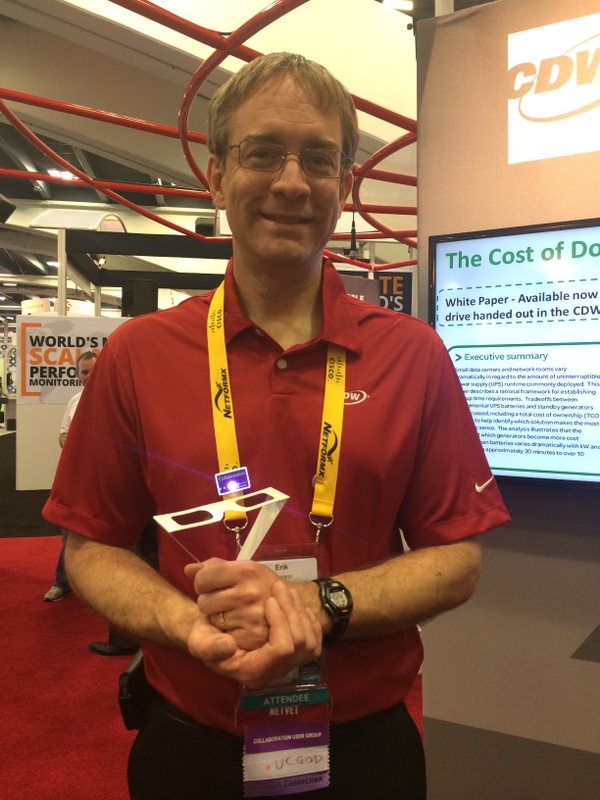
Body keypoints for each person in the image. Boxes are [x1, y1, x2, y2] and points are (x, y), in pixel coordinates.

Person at [43, 52, 510, 799]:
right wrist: (191, 625)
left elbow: (457, 557)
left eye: (318, 158)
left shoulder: (413, 353)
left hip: (363, 750)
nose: (292, 182)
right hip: (190, 746)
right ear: (217, 175)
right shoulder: (138, 353)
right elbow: (93, 545)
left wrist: (320, 606)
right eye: (263, 152)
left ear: (344, 186)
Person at [43, 351, 97, 602]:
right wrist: (70, 442)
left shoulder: (118, 397)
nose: (89, 376)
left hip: (110, 477)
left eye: (93, 370)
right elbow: (62, 434)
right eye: (84, 372)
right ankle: (63, 582)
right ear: (77, 374)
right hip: (78, 475)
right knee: (70, 528)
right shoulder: (74, 401)